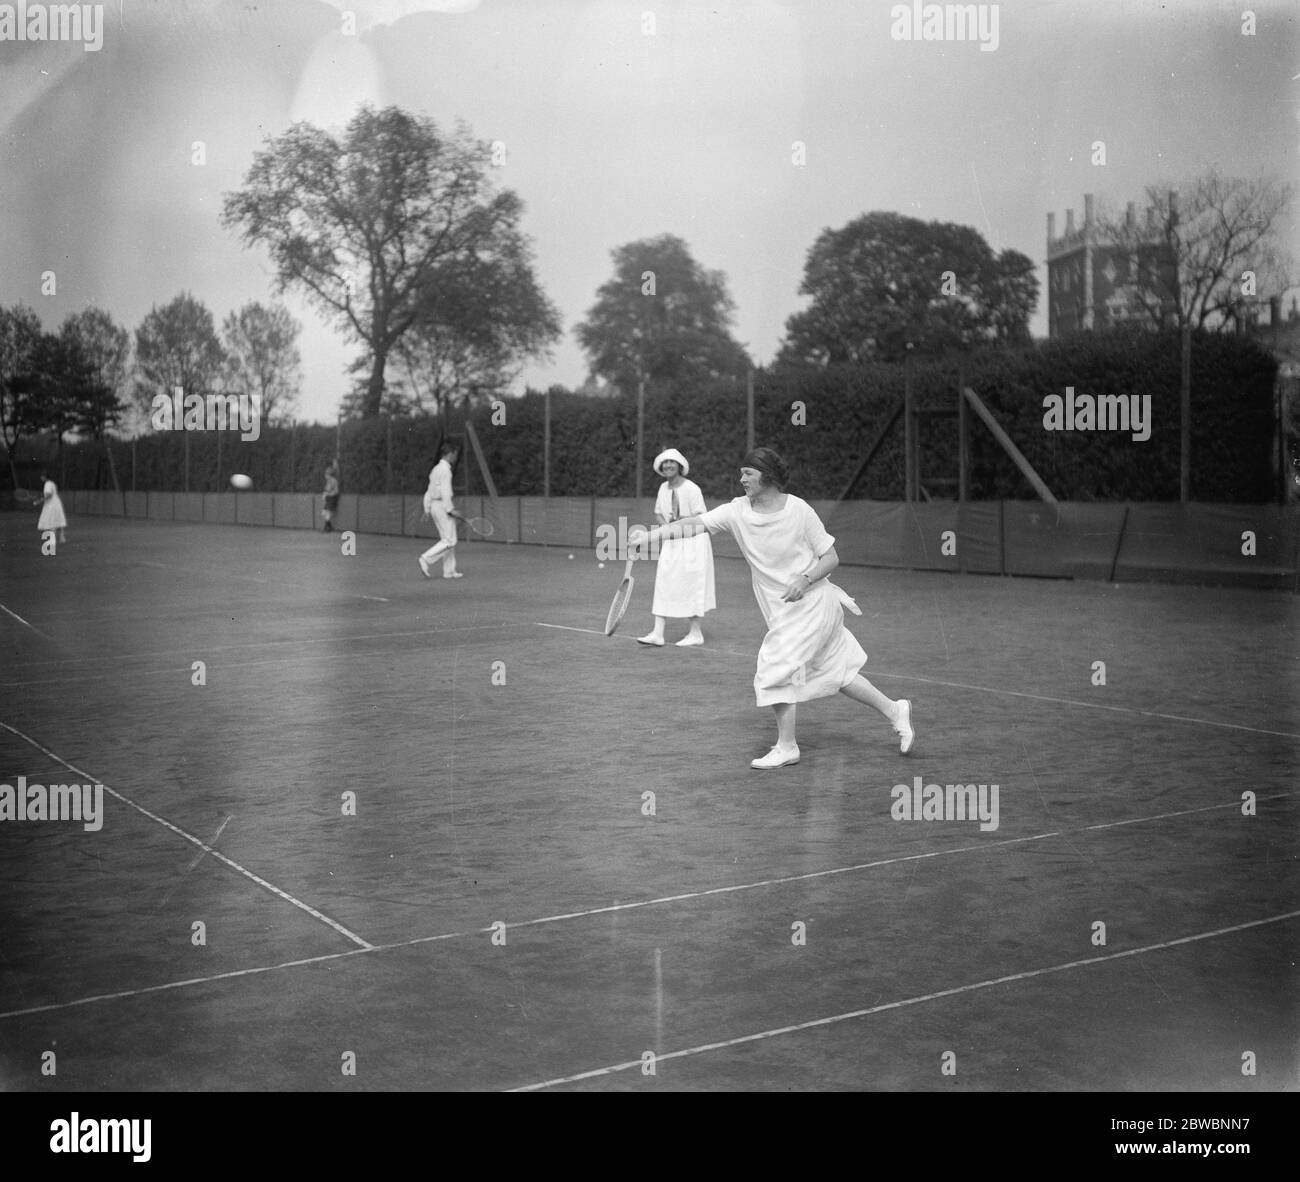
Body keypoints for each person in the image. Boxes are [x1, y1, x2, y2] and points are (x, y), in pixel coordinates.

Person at [634, 447, 914, 770]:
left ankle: (787, 746)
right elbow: (695, 523)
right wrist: (651, 535)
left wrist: (804, 580)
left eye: (747, 474)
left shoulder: (799, 510)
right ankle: (896, 710)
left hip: (816, 604)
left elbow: (831, 557)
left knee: (774, 666)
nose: (741, 479)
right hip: (784, 611)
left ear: (767, 477)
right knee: (840, 673)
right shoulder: (737, 511)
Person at [637, 448, 715, 647]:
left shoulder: (692, 488)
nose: (668, 466)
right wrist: (666, 527)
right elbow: (658, 513)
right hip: (671, 542)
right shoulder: (663, 488)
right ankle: (658, 633)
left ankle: (696, 633)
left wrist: (679, 525)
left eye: (672, 462)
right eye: (665, 463)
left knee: (691, 584)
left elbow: (700, 517)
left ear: (680, 466)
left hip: (694, 543)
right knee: (663, 581)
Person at [418, 442, 464, 580]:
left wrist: (427, 508)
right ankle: (425, 559)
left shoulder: (436, 469)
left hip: (434, 506)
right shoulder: (445, 471)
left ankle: (449, 572)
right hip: (442, 506)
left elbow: (428, 491)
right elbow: (445, 492)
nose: (456, 457)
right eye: (455, 454)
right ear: (450, 454)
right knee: (449, 541)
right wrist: (451, 510)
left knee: (449, 539)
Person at [36, 471, 67, 544]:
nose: (41, 478)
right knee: (58, 519)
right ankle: (62, 538)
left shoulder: (47, 484)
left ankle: (53, 539)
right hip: (56, 503)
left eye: (42, 476)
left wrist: (39, 501)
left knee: (51, 520)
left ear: (44, 477)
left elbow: (49, 495)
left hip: (51, 505)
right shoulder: (52, 483)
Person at [321, 462, 340, 532]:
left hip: (332, 497)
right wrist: (325, 494)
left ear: (329, 475)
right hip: (329, 498)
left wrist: (325, 494)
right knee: (323, 513)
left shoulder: (332, 480)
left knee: (327, 513)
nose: (325, 475)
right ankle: (330, 527)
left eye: (326, 474)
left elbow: (329, 490)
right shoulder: (330, 480)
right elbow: (327, 490)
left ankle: (326, 528)